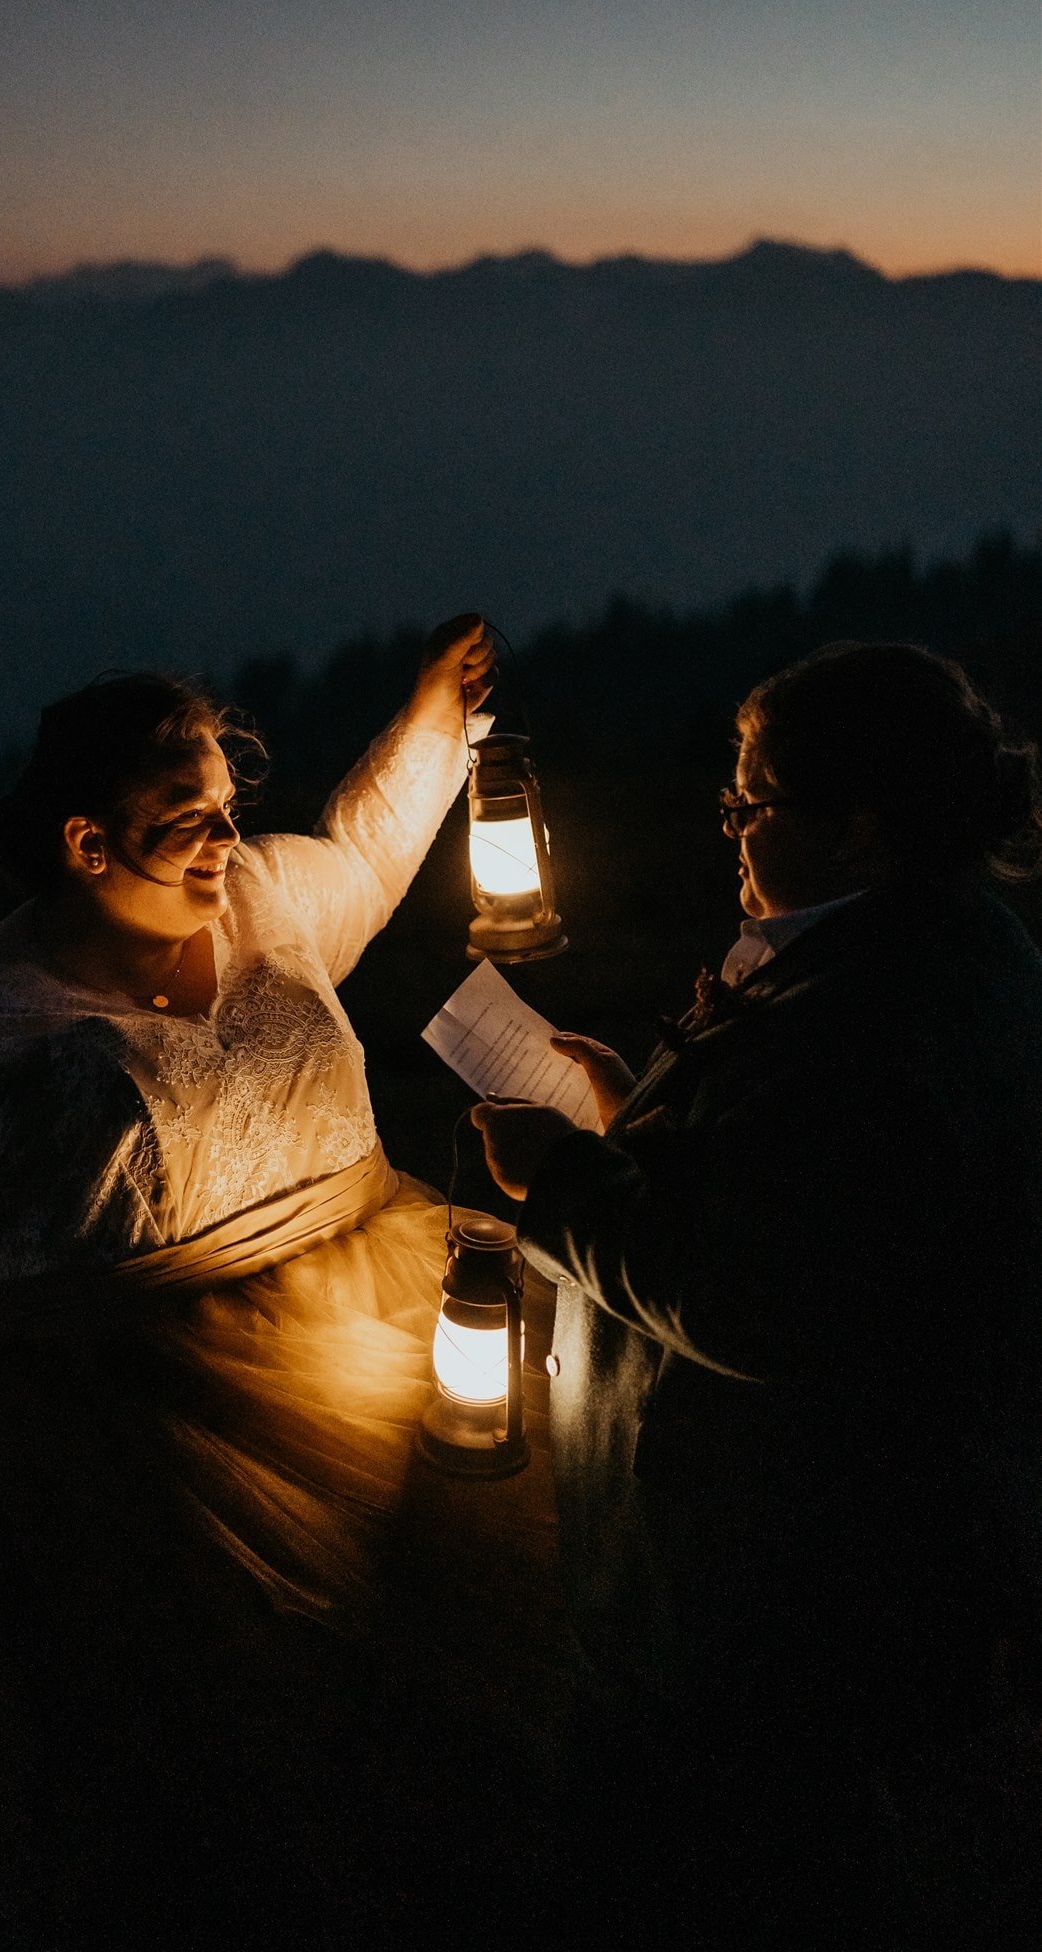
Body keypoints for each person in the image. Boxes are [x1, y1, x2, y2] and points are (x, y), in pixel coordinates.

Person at [0, 616, 521, 1933]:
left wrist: (434, 717)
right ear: (86, 843)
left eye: (222, 802)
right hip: (138, 1467)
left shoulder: (262, 904)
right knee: (208, 1784)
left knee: (416, 1716)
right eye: (183, 815)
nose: (222, 835)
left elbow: (363, 857)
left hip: (375, 1373)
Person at [474, 642, 1042, 1941]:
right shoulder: (903, 954)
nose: (727, 827)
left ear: (860, 826)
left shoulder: (883, 1009)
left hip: (775, 1618)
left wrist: (558, 1182)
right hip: (766, 1595)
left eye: (754, 801)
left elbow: (752, 1294)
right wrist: (638, 1121)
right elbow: (795, 1212)